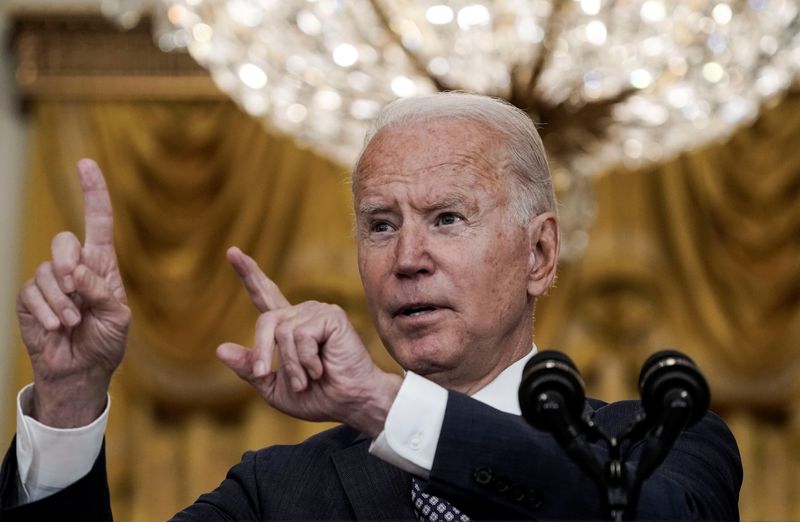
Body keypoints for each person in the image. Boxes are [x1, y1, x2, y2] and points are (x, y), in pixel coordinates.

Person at [1, 92, 741, 520]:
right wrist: (69, 397)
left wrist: (381, 405)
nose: (407, 257)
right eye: (381, 225)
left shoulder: (665, 443)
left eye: (447, 218)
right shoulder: (276, 494)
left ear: (539, 255)